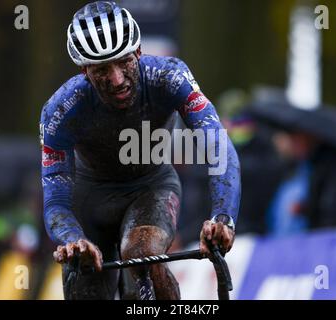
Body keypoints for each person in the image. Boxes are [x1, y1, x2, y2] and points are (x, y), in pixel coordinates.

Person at [40, 1, 241, 300]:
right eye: (102, 70)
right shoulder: (61, 109)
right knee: (88, 289)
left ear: (138, 52)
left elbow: (218, 146)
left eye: (124, 62)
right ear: (84, 70)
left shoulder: (170, 77)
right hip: (90, 199)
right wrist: (73, 239)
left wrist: (222, 218)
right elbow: (55, 197)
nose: (117, 79)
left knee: (141, 254)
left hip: (150, 186)